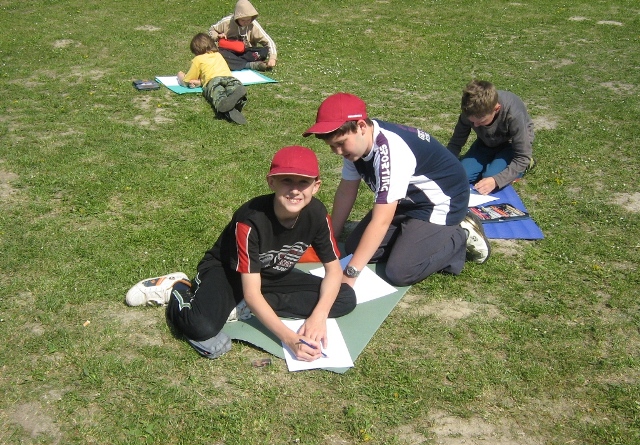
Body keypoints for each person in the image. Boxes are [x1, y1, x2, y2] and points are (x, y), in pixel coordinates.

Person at [125, 146, 356, 361]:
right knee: (201, 327)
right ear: (271, 182)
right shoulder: (251, 220)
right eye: (287, 180)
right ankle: (178, 287)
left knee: (345, 297)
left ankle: (242, 307)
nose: (295, 190)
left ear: (316, 186)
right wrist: (290, 339)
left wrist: (318, 317)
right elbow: (252, 292)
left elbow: (334, 271)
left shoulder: (317, 214)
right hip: (228, 273)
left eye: (304, 182)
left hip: (270, 274)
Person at [303, 92, 491, 288]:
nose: (338, 151)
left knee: (400, 271)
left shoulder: (390, 152)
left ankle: (458, 236)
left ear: (361, 126)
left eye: (341, 144)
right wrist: (332, 237)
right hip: (408, 200)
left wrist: (349, 276)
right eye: (332, 146)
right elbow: (346, 192)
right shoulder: (356, 146)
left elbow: (381, 221)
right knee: (354, 248)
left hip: (443, 201)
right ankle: (414, 236)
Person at [447, 79, 535, 195]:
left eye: (481, 122)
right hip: (486, 142)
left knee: (490, 177)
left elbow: (522, 157)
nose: (475, 125)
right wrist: (445, 163)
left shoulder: (513, 114)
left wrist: (496, 181)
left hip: (511, 145)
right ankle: (491, 164)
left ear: (496, 109)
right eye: (472, 121)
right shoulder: (470, 110)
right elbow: (456, 142)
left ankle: (528, 165)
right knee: (462, 175)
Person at [177, 33, 248, 125]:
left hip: (213, 81)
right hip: (229, 78)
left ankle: (223, 104)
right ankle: (238, 101)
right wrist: (200, 82)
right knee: (233, 87)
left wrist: (180, 75)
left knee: (217, 93)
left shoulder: (198, 59)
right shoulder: (218, 55)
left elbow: (186, 81)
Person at [208, 0, 277, 72]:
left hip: (246, 52)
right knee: (219, 53)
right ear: (237, 18)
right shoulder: (226, 22)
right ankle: (250, 65)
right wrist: (217, 36)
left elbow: (268, 41)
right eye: (243, 20)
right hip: (229, 51)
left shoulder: (253, 25)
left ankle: (235, 64)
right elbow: (212, 30)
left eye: (248, 20)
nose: (246, 23)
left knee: (263, 51)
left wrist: (272, 58)